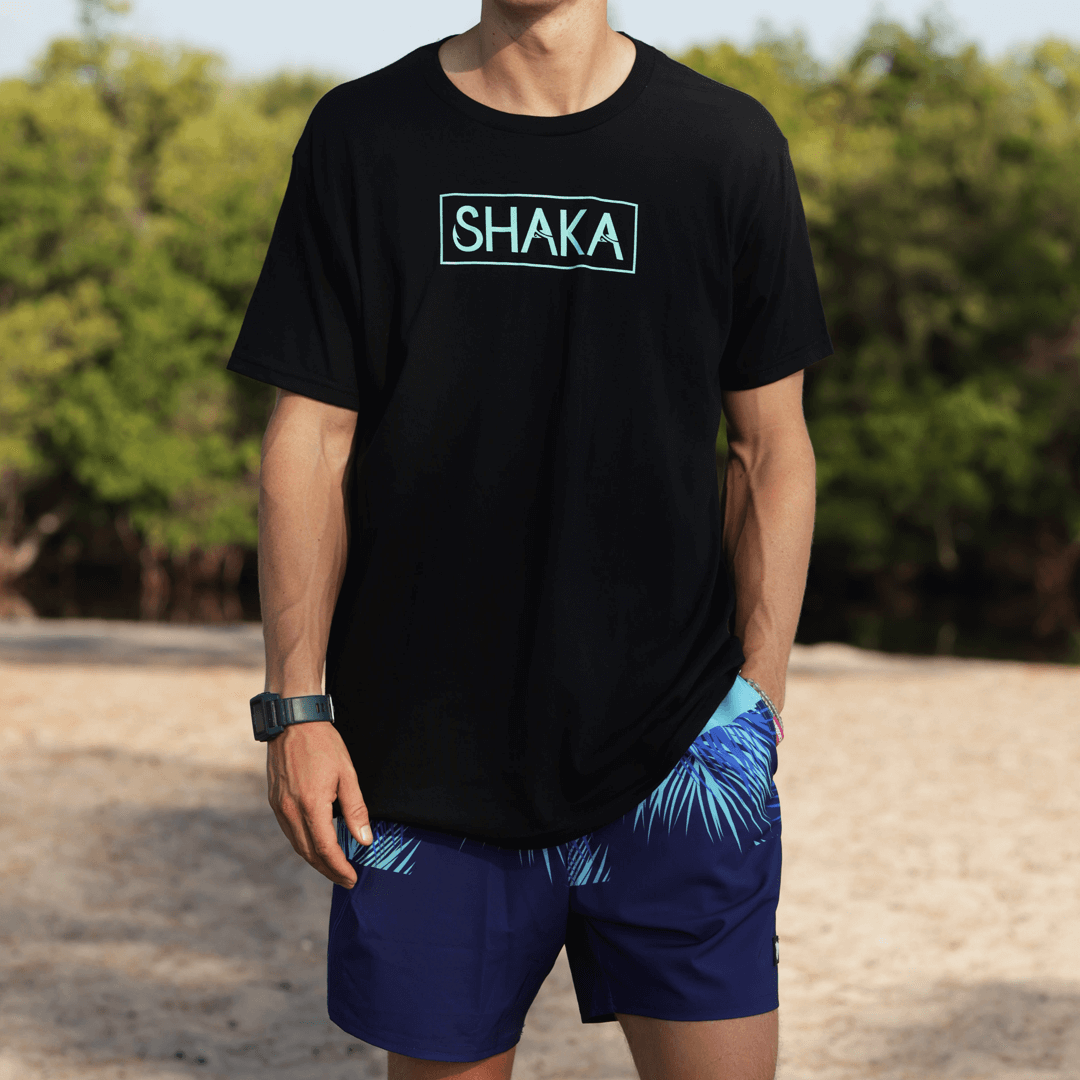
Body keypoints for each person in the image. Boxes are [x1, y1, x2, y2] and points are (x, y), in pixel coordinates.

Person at [228, 1, 830, 1076]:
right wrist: (297, 707)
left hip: (680, 750)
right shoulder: (365, 135)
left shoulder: (724, 144)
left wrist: (758, 703)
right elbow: (309, 438)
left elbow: (770, 444)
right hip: (422, 762)